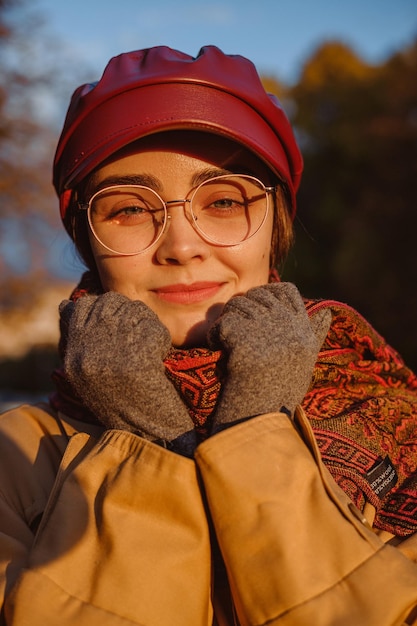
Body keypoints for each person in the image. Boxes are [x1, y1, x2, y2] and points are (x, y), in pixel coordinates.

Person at [1, 45, 417, 626]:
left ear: (278, 224)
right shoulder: (17, 456)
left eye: (223, 201)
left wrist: (255, 431)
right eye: (128, 210)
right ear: (88, 242)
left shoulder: (400, 424)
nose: (181, 245)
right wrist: (148, 441)